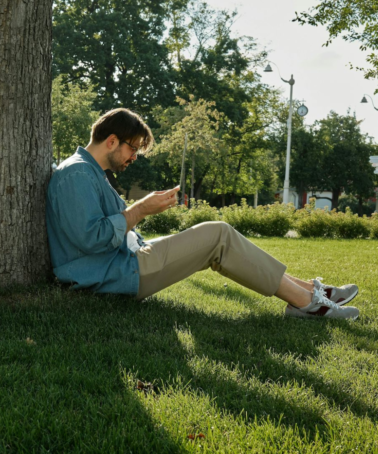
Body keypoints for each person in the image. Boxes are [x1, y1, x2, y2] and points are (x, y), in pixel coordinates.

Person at [46, 108, 359, 319]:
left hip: (125, 262)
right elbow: (91, 239)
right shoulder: (77, 174)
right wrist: (141, 209)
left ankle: (310, 292)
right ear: (111, 141)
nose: (134, 158)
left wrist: (140, 211)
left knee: (218, 238)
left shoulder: (90, 173)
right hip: (114, 274)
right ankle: (307, 303)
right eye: (133, 149)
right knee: (217, 234)